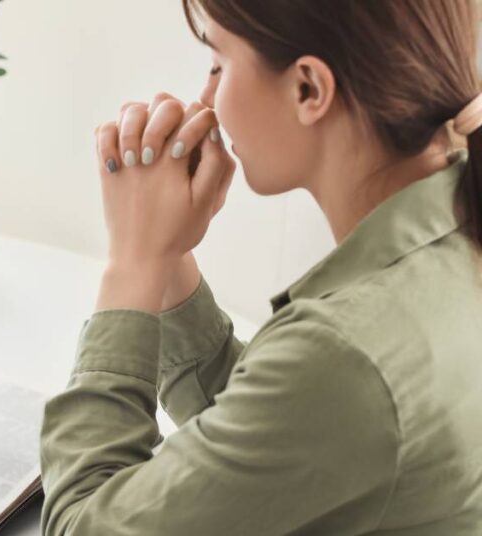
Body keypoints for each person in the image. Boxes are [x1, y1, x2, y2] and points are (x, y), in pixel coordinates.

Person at [38, 1, 482, 534]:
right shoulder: (453, 234)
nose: (206, 97)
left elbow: (80, 524)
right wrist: (169, 255)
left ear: (308, 90)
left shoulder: (346, 354)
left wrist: (132, 264)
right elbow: (279, 434)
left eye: (219, 63)